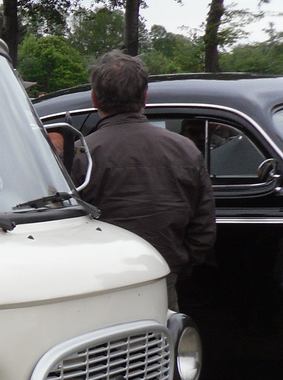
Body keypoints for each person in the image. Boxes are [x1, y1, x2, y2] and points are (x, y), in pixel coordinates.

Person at [74, 52, 215, 310]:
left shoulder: (81, 154)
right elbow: (203, 229)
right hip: (162, 277)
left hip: (98, 284)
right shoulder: (186, 150)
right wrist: (177, 265)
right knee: (161, 346)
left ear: (94, 99)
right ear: (145, 97)